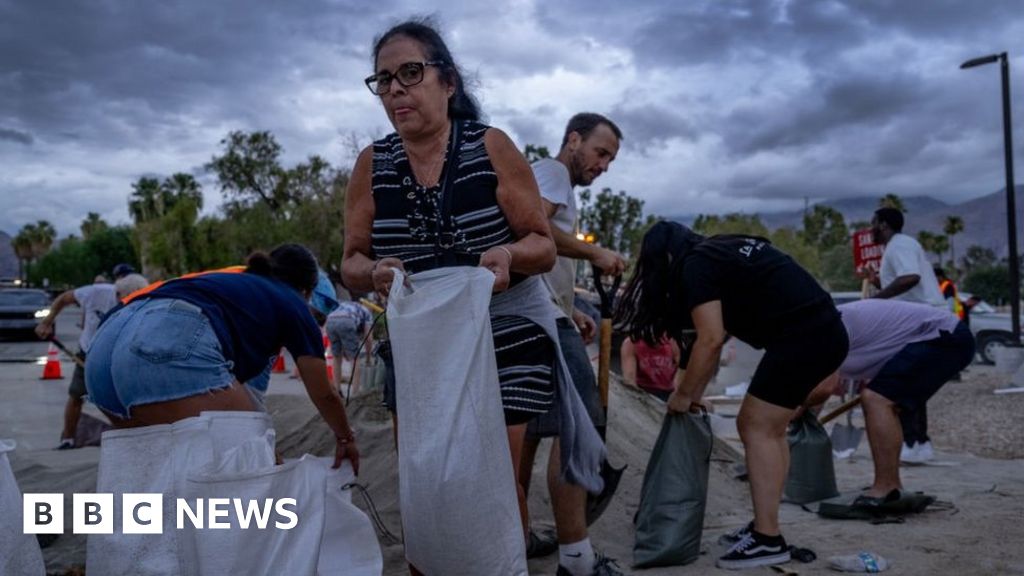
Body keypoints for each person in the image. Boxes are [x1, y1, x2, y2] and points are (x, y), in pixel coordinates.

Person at [342, 19, 606, 575]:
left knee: (487, 477)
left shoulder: (490, 146)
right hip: (420, 341)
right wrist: (376, 271)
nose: (395, 89)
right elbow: (350, 262)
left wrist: (508, 256)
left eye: (410, 73)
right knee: (426, 478)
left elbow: (541, 243)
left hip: (504, 328)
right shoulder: (373, 165)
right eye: (383, 80)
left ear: (448, 82)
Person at [614, 222, 848, 570]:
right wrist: (692, 388)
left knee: (755, 426)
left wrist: (683, 396)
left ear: (663, 255)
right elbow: (711, 340)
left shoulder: (695, 265)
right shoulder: (717, 252)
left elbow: (710, 339)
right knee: (769, 429)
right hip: (819, 331)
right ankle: (764, 528)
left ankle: (768, 539)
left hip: (804, 336)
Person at [84, 244, 358, 472]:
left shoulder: (232, 286)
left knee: (162, 472)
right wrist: (345, 436)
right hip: (163, 344)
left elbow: (248, 394)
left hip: (101, 356)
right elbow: (324, 393)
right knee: (254, 463)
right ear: (306, 291)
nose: (315, 319)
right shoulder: (291, 301)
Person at [515, 113, 627, 575]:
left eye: (611, 160)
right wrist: (596, 252)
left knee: (525, 434)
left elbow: (538, 248)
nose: (603, 166)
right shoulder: (552, 171)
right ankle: (577, 559)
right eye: (601, 153)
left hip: (537, 310)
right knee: (579, 428)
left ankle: (516, 535)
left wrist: (571, 306)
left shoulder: (551, 179)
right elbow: (533, 226)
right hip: (537, 318)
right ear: (573, 139)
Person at [805, 299, 974, 503]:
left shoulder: (821, 330)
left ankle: (888, 488)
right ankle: (888, 485)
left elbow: (822, 388)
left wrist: (790, 414)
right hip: (929, 338)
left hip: (942, 336)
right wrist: (800, 426)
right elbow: (812, 395)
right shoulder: (811, 331)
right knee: (877, 398)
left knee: (877, 399)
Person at [869, 207, 948, 464]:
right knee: (909, 382)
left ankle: (914, 442)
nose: (870, 228)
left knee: (903, 381)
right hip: (918, 319)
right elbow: (903, 283)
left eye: (873, 223)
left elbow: (909, 278)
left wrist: (875, 301)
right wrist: (876, 281)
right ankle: (918, 443)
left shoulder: (899, 244)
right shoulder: (898, 246)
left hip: (922, 321)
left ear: (883, 224)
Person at [35, 264, 136, 449]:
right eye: (126, 299)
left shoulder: (135, 303)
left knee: (109, 400)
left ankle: (130, 434)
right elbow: (63, 298)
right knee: (76, 394)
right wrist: (46, 322)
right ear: (118, 292)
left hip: (114, 355)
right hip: (88, 351)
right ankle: (68, 438)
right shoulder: (96, 292)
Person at [325, 289, 374, 393]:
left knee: (336, 357)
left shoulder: (347, 304)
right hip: (347, 321)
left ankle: (337, 390)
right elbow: (368, 337)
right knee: (355, 359)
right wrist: (369, 358)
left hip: (330, 320)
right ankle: (355, 392)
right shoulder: (366, 312)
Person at [620, 335, 680, 401]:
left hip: (669, 392)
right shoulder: (631, 343)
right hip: (644, 390)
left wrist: (677, 395)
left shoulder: (672, 341)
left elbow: (680, 371)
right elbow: (630, 379)